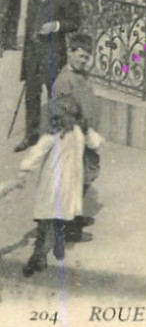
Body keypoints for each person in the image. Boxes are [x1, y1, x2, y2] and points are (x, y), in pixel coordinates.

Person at [19, 92, 102, 277]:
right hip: (69, 184)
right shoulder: (80, 131)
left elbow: (36, 154)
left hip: (52, 185)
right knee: (62, 215)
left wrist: (23, 171)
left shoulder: (52, 136)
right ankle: (55, 245)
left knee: (46, 220)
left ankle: (38, 256)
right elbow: (95, 142)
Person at [15, 0, 80, 153]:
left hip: (54, 56)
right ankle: (31, 136)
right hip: (33, 56)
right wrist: (25, 61)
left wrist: (56, 25)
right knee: (32, 96)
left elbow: (75, 23)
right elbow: (27, 28)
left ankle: (57, 136)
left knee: (56, 96)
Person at [48, 31, 100, 243]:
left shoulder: (80, 75)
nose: (84, 61)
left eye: (88, 57)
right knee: (72, 182)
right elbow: (63, 113)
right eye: (81, 56)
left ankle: (74, 217)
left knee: (86, 174)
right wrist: (84, 129)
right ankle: (68, 228)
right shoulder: (64, 81)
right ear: (69, 52)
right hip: (72, 138)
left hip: (84, 136)